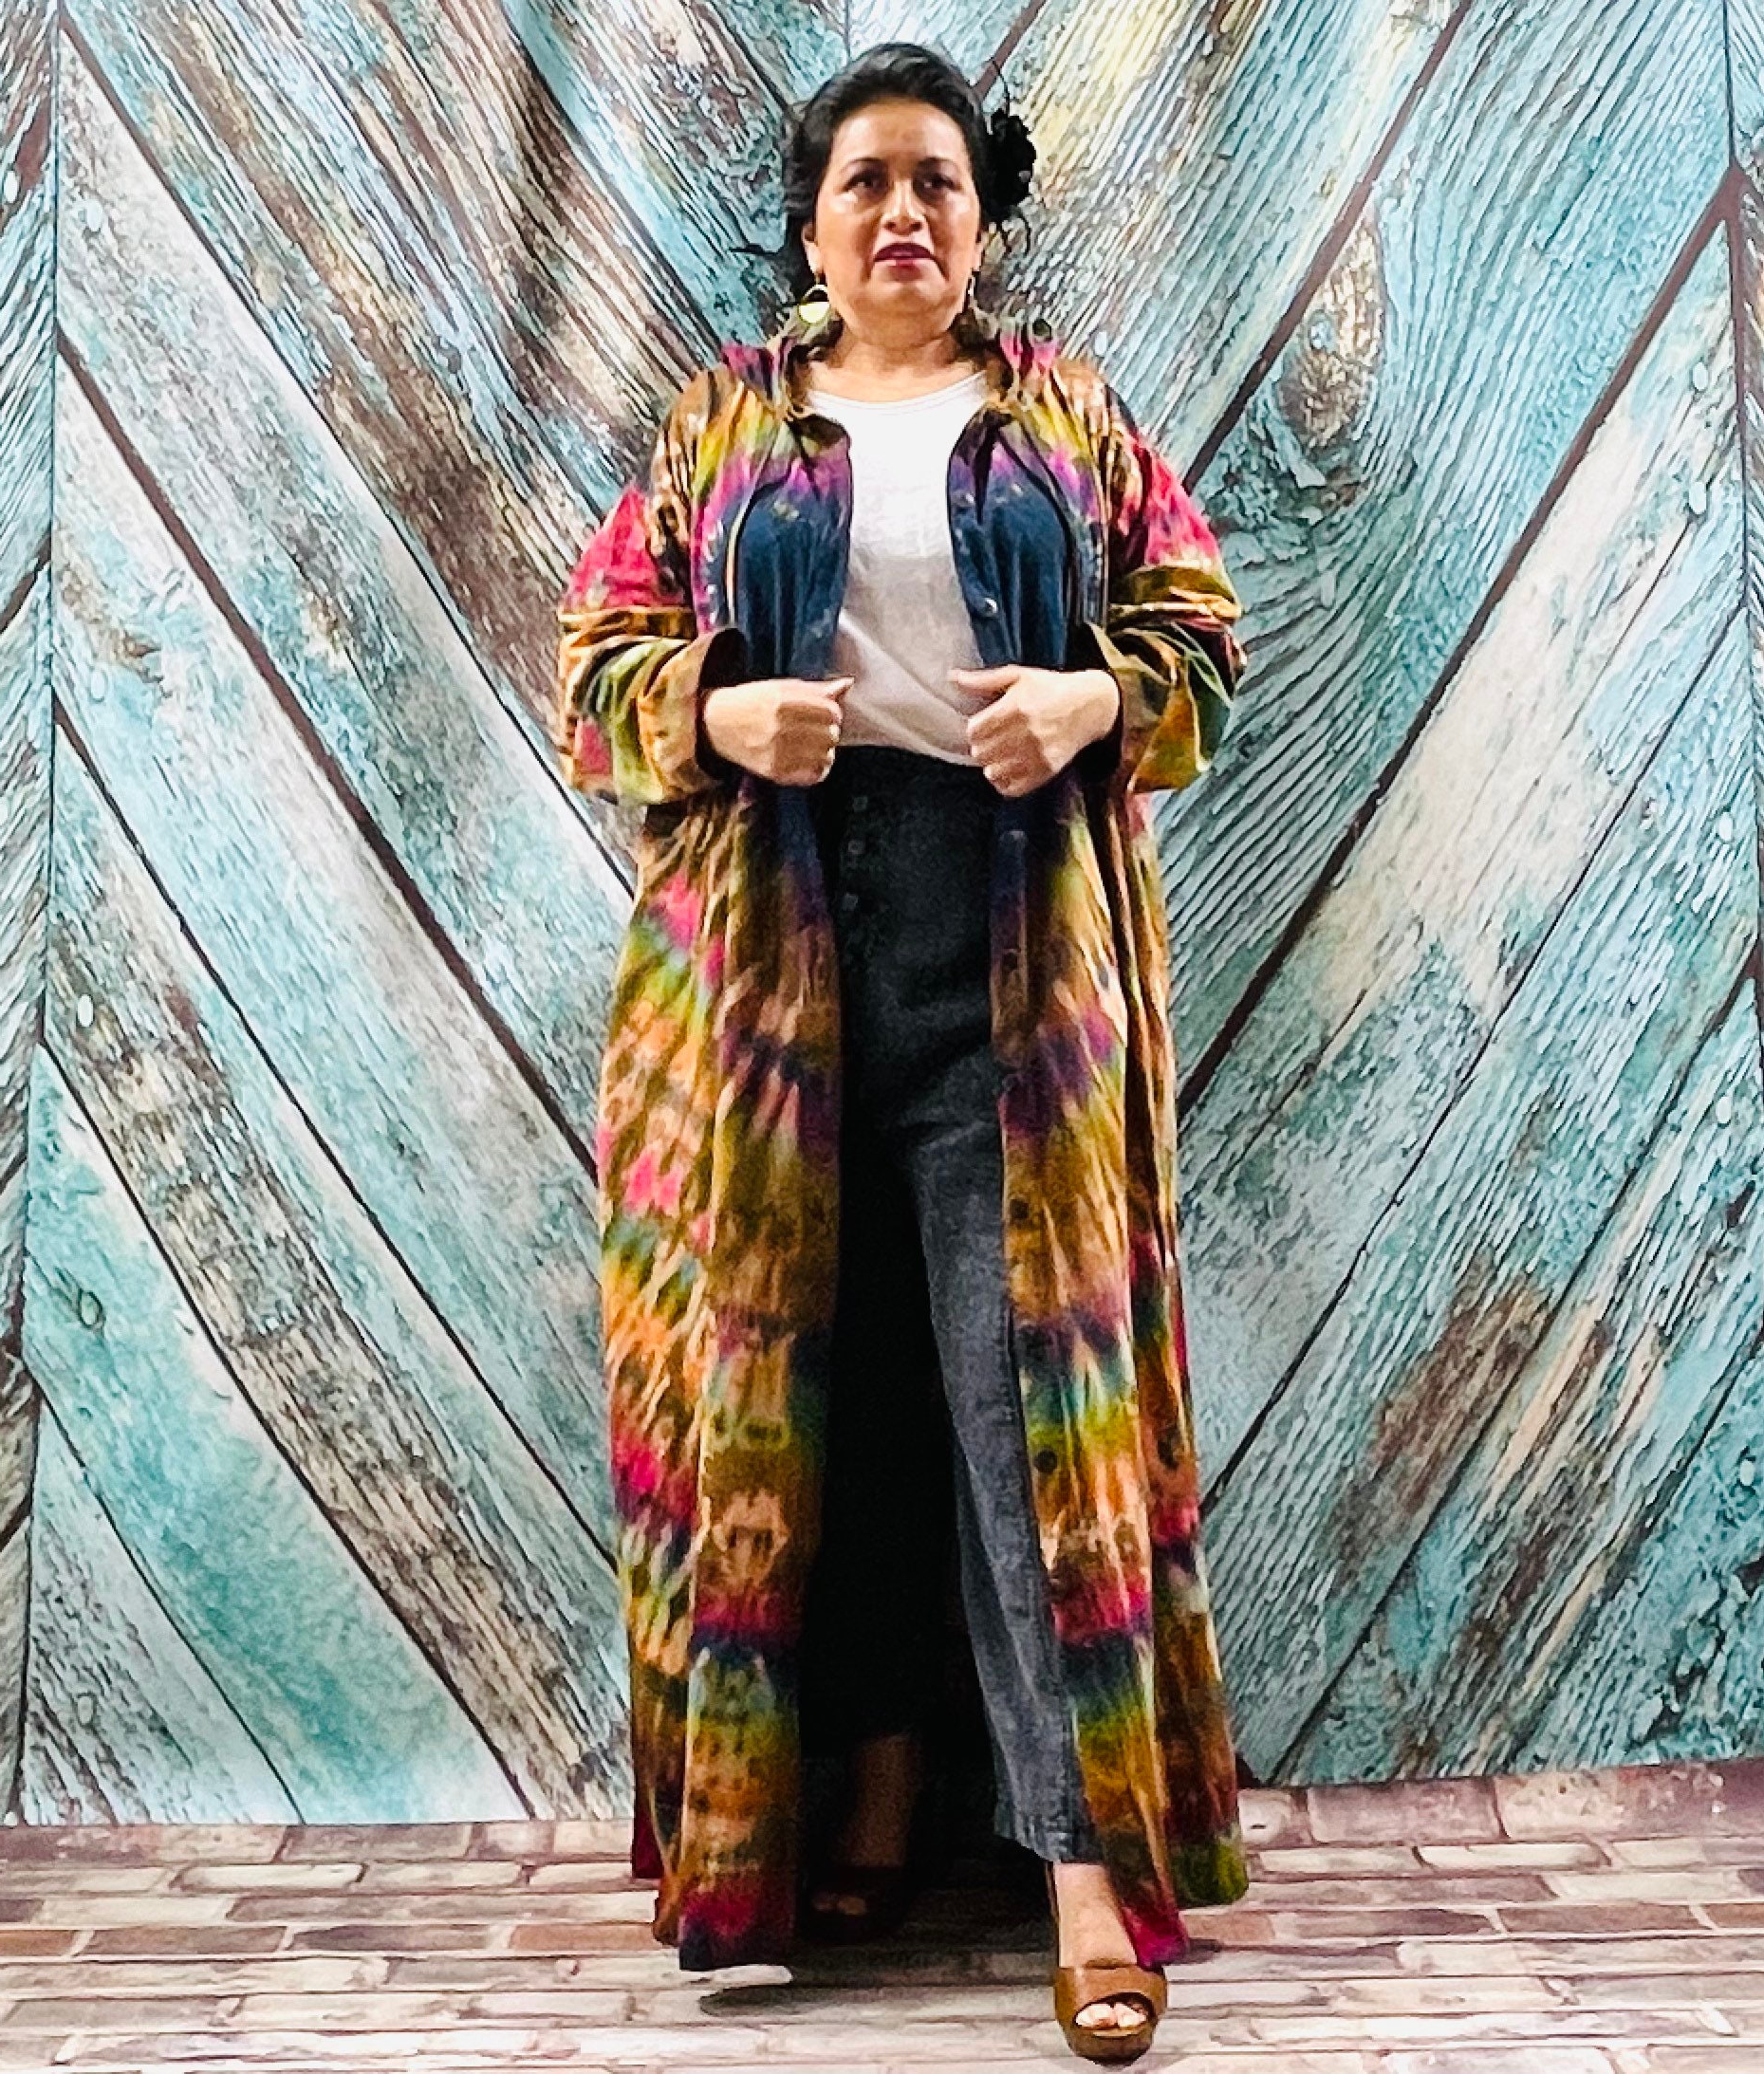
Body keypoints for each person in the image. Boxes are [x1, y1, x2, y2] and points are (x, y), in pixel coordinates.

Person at [554, 38, 1251, 2065]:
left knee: (1023, 1410)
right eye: (863, 180)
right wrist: (708, 709)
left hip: (1014, 966)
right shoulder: (716, 427)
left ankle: (1080, 1874)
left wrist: (1095, 698)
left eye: (936, 180)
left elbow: (1204, 635)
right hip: (755, 983)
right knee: (807, 1400)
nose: (901, 214)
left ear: (982, 219)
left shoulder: (1068, 422)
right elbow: (589, 669)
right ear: (809, 222)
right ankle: (850, 1802)